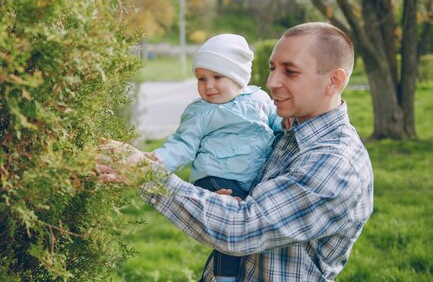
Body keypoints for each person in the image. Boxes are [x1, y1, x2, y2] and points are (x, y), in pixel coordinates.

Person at [97, 22, 374, 282]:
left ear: (334, 81)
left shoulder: (336, 163)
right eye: (272, 68)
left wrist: (145, 174)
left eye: (290, 71)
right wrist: (217, 201)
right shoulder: (289, 130)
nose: (272, 82)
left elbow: (241, 229)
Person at [150, 34, 282, 282]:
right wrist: (158, 160)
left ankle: (235, 271)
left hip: (249, 180)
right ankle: (224, 276)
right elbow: (182, 144)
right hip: (214, 177)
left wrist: (293, 124)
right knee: (233, 220)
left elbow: (280, 124)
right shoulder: (201, 112)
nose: (208, 86)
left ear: (238, 77)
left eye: (217, 77)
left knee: (249, 227)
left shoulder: (260, 100)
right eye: (201, 79)